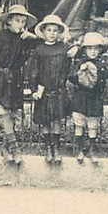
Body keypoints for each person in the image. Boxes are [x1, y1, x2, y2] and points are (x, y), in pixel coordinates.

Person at [0, 4, 38, 164]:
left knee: (12, 114)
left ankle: (6, 149)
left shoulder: (24, 39)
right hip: (0, 77)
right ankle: (15, 148)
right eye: (17, 20)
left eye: (23, 21)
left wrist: (31, 36)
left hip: (16, 79)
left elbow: (42, 44)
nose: (20, 24)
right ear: (9, 21)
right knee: (4, 111)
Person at [67, 31, 108, 165]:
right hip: (80, 96)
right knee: (79, 123)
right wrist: (80, 73)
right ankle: (79, 149)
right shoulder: (80, 62)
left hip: (95, 97)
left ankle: (92, 150)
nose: (92, 51)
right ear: (84, 50)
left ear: (100, 50)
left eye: (96, 48)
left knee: (92, 125)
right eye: (89, 48)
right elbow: (71, 77)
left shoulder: (103, 63)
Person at [27, 14, 70, 165]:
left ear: (59, 33)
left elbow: (66, 69)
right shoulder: (39, 50)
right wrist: (34, 88)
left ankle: (56, 148)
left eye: (55, 30)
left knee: (57, 119)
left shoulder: (63, 49)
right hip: (43, 90)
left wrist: (63, 83)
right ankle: (48, 148)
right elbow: (34, 71)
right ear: (44, 32)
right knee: (45, 120)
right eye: (49, 30)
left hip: (57, 89)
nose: (52, 33)